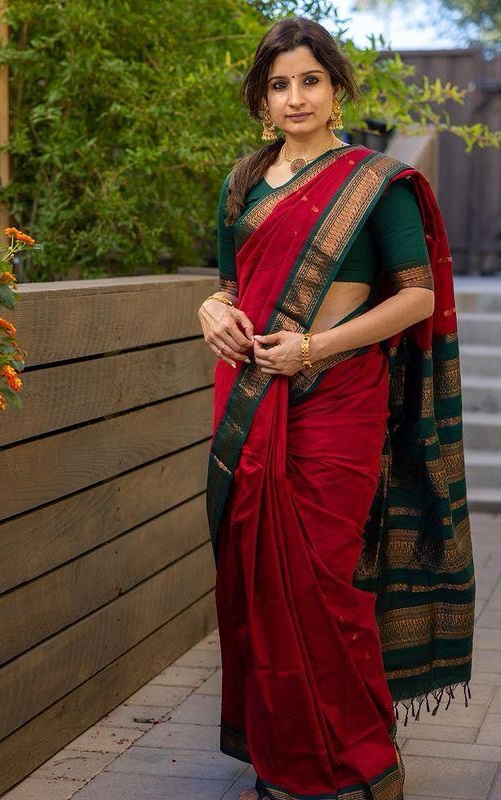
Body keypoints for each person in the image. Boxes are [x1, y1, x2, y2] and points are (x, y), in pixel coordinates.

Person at [197, 15, 476, 800]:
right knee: (256, 582)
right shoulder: (244, 184)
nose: (295, 97)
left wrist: (315, 349)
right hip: (251, 404)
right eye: (279, 84)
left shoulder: (373, 184)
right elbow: (228, 286)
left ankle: (362, 766)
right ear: (261, 97)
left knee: (324, 583)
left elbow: (417, 297)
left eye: (309, 80)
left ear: (336, 88)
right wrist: (209, 313)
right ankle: (286, 764)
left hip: (336, 403)